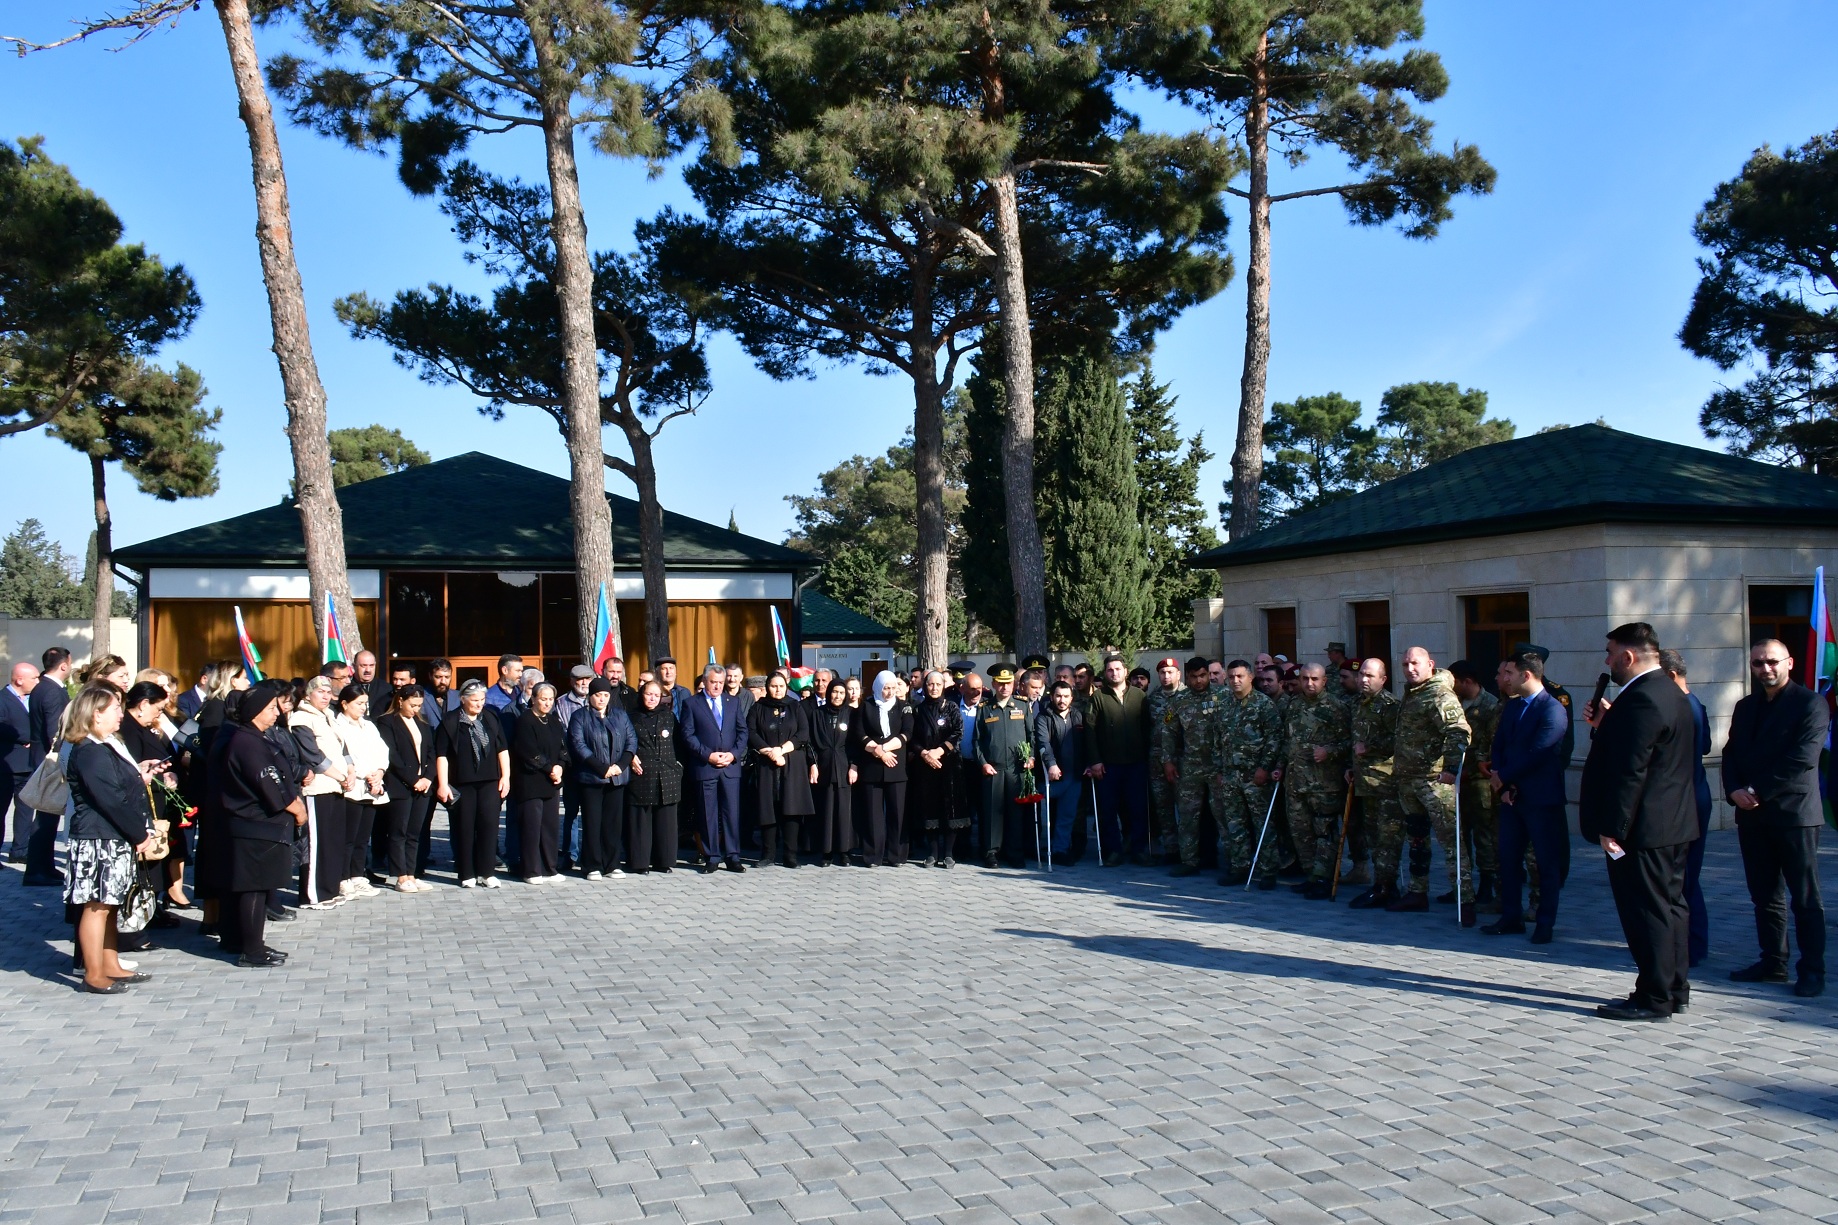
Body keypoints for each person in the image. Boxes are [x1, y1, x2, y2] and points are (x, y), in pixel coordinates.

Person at [1580, 622, 1698, 1021]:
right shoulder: (1668, 691)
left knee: (1648, 912)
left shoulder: (1643, 698)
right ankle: (1675, 987)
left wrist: (1613, 827)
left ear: (1628, 657)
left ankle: (1655, 995)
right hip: (1672, 823)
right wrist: (1606, 725)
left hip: (1644, 829)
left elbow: (1631, 770)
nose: (1607, 660)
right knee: (1671, 908)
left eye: (1611, 653)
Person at [1722, 638, 1829, 999]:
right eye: (1757, 663)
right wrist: (1734, 789)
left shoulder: (1810, 704)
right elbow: (1731, 751)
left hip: (1794, 815)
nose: (1765, 669)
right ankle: (1773, 962)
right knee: (1764, 894)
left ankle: (1812, 970)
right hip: (1752, 817)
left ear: (1789, 663)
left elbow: (1802, 759)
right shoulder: (1745, 706)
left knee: (1804, 897)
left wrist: (1757, 791)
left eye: (1771, 662)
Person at [62, 685, 160, 992]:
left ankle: (110, 963)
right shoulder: (89, 750)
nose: (121, 713)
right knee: (97, 905)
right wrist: (139, 832)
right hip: (97, 838)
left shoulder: (105, 745)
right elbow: (109, 799)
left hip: (113, 837)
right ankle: (93, 973)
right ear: (95, 714)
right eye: (115, 709)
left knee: (111, 904)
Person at [208, 680, 308, 968]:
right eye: (270, 708)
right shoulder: (247, 742)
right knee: (253, 888)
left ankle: (246, 941)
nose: (276, 712)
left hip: (260, 826)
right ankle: (251, 950)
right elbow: (269, 783)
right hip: (255, 826)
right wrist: (296, 809)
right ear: (254, 711)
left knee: (256, 888)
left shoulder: (255, 737)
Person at [1483, 650, 1570, 943]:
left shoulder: (1553, 709)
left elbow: (1538, 753)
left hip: (1541, 799)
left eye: (1509, 673)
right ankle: (1511, 917)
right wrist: (1502, 780)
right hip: (1511, 797)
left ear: (1526, 675)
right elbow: (1500, 745)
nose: (1504, 678)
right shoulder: (1513, 707)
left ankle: (1545, 923)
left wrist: (1503, 777)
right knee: (1507, 859)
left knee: (1546, 864)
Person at [1386, 648, 1473, 922]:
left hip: (1434, 782)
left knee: (1451, 843)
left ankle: (1465, 898)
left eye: (1415, 663)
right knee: (1417, 838)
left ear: (1430, 664)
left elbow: (1458, 731)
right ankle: (1417, 891)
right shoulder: (1413, 693)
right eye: (1405, 664)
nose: (1410, 668)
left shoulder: (1439, 694)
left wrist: (1450, 768)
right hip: (1409, 781)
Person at [1270, 662, 1350, 898]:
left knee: (1324, 832)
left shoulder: (1336, 707)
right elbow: (1287, 740)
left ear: (1324, 681)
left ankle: (1323, 878)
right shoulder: (1294, 705)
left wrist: (1329, 751)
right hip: (1295, 782)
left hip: (1323, 784)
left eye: (1315, 679)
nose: (1309, 684)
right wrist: (1279, 766)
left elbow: (1349, 743)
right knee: (1300, 832)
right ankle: (1310, 875)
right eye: (1305, 679)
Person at [1658, 649, 1714, 968]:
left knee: (1685, 876)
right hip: (1694, 795)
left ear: (1670, 676)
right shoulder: (1695, 704)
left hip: (1688, 800)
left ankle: (1693, 945)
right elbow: (1705, 746)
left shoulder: (1684, 707)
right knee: (1684, 875)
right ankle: (1690, 943)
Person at [434, 679, 511, 888]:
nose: (479, 704)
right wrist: (442, 784)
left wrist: (506, 777)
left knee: (489, 826)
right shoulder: (450, 721)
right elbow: (441, 756)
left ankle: (487, 872)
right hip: (462, 783)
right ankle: (466, 872)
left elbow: (502, 749)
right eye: (475, 700)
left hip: (489, 782)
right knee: (464, 828)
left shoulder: (491, 717)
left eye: (482, 699)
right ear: (463, 699)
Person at [121, 680, 189, 910]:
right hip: (143, 805)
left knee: (155, 861)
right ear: (144, 704)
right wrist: (153, 772)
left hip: (158, 800)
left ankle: (152, 908)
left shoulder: (141, 726)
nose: (159, 714)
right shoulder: (128, 729)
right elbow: (131, 767)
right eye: (157, 708)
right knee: (144, 865)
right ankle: (141, 912)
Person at [289, 676, 351, 910]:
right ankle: (312, 895)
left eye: (328, 692)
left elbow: (343, 747)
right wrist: (341, 776)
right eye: (320, 692)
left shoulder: (329, 716)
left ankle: (329, 889)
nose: (325, 696)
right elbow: (312, 755)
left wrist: (350, 770)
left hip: (336, 787)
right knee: (316, 843)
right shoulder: (301, 718)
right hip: (317, 788)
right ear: (308, 694)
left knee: (332, 842)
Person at [1345, 659, 1402, 909]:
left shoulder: (1390, 706)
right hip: (1364, 781)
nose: (1364, 680)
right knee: (1374, 837)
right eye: (1361, 675)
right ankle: (1380, 884)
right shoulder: (1357, 704)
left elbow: (1399, 741)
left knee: (1387, 839)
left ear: (1383, 679)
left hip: (1385, 782)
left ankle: (1386, 887)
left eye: (1370, 675)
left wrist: (1370, 748)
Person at [1086, 654, 1151, 866]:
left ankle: (1139, 850)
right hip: (1108, 765)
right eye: (1110, 670)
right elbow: (1090, 730)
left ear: (1125, 671)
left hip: (1136, 764)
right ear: (1105, 673)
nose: (1114, 673)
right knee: (1108, 811)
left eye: (1118, 669)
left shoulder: (1139, 696)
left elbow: (1147, 728)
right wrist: (1095, 760)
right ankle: (1112, 851)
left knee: (1138, 809)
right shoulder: (1098, 697)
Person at [570, 678, 636, 879]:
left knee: (613, 823)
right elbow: (578, 745)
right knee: (592, 822)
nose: (602, 699)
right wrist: (601, 768)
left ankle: (612, 864)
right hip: (592, 778)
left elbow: (631, 741)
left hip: (617, 777)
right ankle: (592, 865)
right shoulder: (580, 716)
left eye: (606, 695)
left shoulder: (620, 715)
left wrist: (620, 766)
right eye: (598, 695)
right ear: (590, 696)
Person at [682, 665, 746, 873]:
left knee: (732, 813)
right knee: (708, 813)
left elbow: (742, 732)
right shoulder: (691, 703)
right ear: (705, 681)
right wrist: (707, 754)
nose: (718, 686)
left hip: (730, 767)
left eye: (721, 682)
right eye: (713, 682)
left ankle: (733, 855)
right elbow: (688, 736)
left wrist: (733, 754)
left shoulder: (733, 702)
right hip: (705, 766)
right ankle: (712, 856)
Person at [1450, 661, 1501, 911]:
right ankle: (1462, 884)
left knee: (1484, 833)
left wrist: (1476, 766)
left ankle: (1486, 884)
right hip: (1458, 778)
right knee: (1459, 833)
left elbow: (1492, 743)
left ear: (1467, 681)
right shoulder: (1455, 704)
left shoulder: (1490, 705)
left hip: (1480, 779)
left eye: (1455, 681)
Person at [747, 673, 814, 867]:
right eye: (774, 686)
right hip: (767, 763)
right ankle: (768, 854)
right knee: (768, 808)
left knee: (791, 809)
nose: (778, 690)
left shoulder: (795, 706)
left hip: (792, 762)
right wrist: (770, 752)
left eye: (781, 686)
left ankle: (790, 855)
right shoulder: (758, 707)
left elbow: (803, 733)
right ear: (767, 687)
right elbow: (751, 732)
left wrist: (782, 750)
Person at [377, 685, 437, 892]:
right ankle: (400, 876)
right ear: (401, 701)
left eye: (419, 706)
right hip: (401, 786)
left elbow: (431, 751)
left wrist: (428, 777)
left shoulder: (421, 723)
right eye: (412, 705)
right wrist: (413, 780)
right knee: (398, 831)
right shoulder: (387, 722)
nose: (416, 709)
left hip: (423, 785)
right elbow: (392, 756)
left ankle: (412, 872)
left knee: (415, 831)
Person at [509, 681, 569, 884]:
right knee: (531, 828)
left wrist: (560, 766)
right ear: (533, 699)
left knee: (550, 827)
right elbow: (527, 750)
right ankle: (531, 870)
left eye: (550, 699)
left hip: (552, 781)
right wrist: (549, 768)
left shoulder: (554, 721)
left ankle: (550, 868)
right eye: (543, 699)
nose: (547, 703)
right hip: (531, 781)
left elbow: (563, 747)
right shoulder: (525, 720)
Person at [24, 646, 74, 886]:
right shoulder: (52, 691)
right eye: (70, 663)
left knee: (48, 817)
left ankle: (45, 866)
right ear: (64, 665)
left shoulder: (42, 687)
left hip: (42, 757)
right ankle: (37, 869)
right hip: (50, 761)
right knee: (46, 817)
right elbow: (55, 731)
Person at [973, 664, 1032, 868]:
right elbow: (977, 741)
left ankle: (1014, 852)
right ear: (994, 684)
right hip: (993, 769)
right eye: (1000, 683)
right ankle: (991, 852)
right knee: (992, 813)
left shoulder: (1023, 706)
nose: (1005, 687)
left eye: (1008, 683)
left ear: (1014, 684)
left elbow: (1031, 735)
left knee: (1016, 813)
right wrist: (983, 763)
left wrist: (1030, 757)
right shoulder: (985, 708)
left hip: (1017, 770)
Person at [335, 686, 390, 897]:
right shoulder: (338, 725)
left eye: (365, 703)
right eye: (358, 703)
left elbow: (381, 750)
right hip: (353, 786)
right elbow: (347, 754)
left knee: (362, 837)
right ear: (345, 703)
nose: (363, 707)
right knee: (348, 836)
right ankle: (343, 877)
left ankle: (358, 875)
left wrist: (379, 772)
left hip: (372, 787)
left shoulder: (368, 725)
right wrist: (367, 774)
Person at [853, 671, 911, 868]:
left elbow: (907, 733)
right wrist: (876, 751)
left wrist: (883, 749)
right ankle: (872, 855)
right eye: (886, 688)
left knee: (898, 813)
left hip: (895, 765)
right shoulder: (866, 706)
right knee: (873, 815)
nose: (889, 692)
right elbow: (859, 733)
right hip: (872, 766)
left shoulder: (904, 707)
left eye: (893, 688)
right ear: (878, 687)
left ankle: (897, 855)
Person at [909, 670, 963, 868]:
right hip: (925, 766)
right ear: (925, 686)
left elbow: (958, 732)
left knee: (950, 809)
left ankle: (948, 853)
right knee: (929, 808)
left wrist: (939, 751)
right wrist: (925, 754)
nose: (934, 688)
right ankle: (932, 853)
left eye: (938, 685)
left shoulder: (951, 707)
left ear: (943, 686)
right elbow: (912, 737)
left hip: (949, 764)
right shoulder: (918, 709)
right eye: (930, 684)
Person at [626, 680, 682, 873]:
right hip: (641, 774)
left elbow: (679, 743)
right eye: (648, 694)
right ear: (641, 695)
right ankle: (639, 862)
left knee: (665, 821)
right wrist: (630, 757)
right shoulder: (631, 717)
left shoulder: (669, 717)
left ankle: (663, 861)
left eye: (656, 695)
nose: (652, 698)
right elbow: (624, 741)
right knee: (641, 821)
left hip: (667, 774)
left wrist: (678, 767)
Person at [1036, 679, 1085, 866]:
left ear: (1071, 698)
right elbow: (1043, 744)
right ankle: (1045, 847)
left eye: (1065, 696)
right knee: (1047, 816)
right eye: (1058, 696)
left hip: (1074, 775)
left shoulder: (1078, 716)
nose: (1061, 700)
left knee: (1067, 816)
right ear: (1052, 696)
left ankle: (1060, 850)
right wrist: (1051, 764)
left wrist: (1088, 764)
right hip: (1052, 776)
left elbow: (1085, 742)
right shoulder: (1043, 717)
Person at [809, 680, 857, 866]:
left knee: (844, 810)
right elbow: (811, 741)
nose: (837, 696)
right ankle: (826, 851)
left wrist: (854, 765)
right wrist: (813, 763)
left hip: (845, 766)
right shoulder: (817, 714)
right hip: (824, 766)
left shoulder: (851, 714)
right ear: (829, 693)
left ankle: (844, 851)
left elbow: (856, 743)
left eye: (841, 693)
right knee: (826, 809)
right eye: (834, 692)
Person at [1145, 657, 1185, 867]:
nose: (1166, 676)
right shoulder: (1153, 699)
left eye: (1171, 672)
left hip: (1183, 760)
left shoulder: (1187, 697)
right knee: (1163, 807)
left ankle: (1189, 852)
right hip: (1157, 760)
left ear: (1178, 674)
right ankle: (1171, 849)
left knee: (1186, 809)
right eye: (1163, 673)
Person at [2, 659, 37, 862]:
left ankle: (20, 850)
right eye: (33, 678)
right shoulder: (3, 699)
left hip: (27, 765)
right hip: (7, 767)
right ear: (19, 680)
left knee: (25, 811)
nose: (37, 681)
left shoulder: (32, 699)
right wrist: (24, 737)